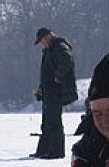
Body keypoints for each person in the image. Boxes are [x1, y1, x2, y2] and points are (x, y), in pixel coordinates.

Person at [31, 27, 78, 159]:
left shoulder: (60, 47)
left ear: (48, 36)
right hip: (48, 89)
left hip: (56, 90)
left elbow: (67, 61)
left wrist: (59, 76)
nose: (42, 43)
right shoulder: (50, 50)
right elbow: (47, 72)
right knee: (46, 122)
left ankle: (56, 151)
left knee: (53, 121)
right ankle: (43, 150)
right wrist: (41, 88)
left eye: (42, 40)